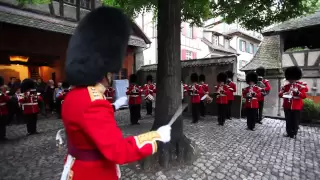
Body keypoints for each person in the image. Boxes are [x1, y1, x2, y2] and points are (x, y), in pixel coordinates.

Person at [60, 6, 171, 180]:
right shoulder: (93, 102)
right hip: (94, 174)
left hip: (75, 169)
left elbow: (88, 123)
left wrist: (111, 106)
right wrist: (156, 137)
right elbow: (118, 151)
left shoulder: (73, 96)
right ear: (104, 68)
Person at [279, 66, 306, 139]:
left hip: (296, 106)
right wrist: (286, 93)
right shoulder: (286, 86)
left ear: (296, 78)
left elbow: (303, 96)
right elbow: (280, 95)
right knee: (288, 120)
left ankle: (294, 133)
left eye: (292, 78)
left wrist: (297, 92)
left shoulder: (301, 86)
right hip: (287, 106)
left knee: (295, 121)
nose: (291, 80)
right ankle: (289, 132)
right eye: (290, 78)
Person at [0, 76, 10, 141]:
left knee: (3, 124)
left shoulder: (3, 93)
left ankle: (2, 136)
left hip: (3, 110)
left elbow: (7, 99)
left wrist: (4, 94)